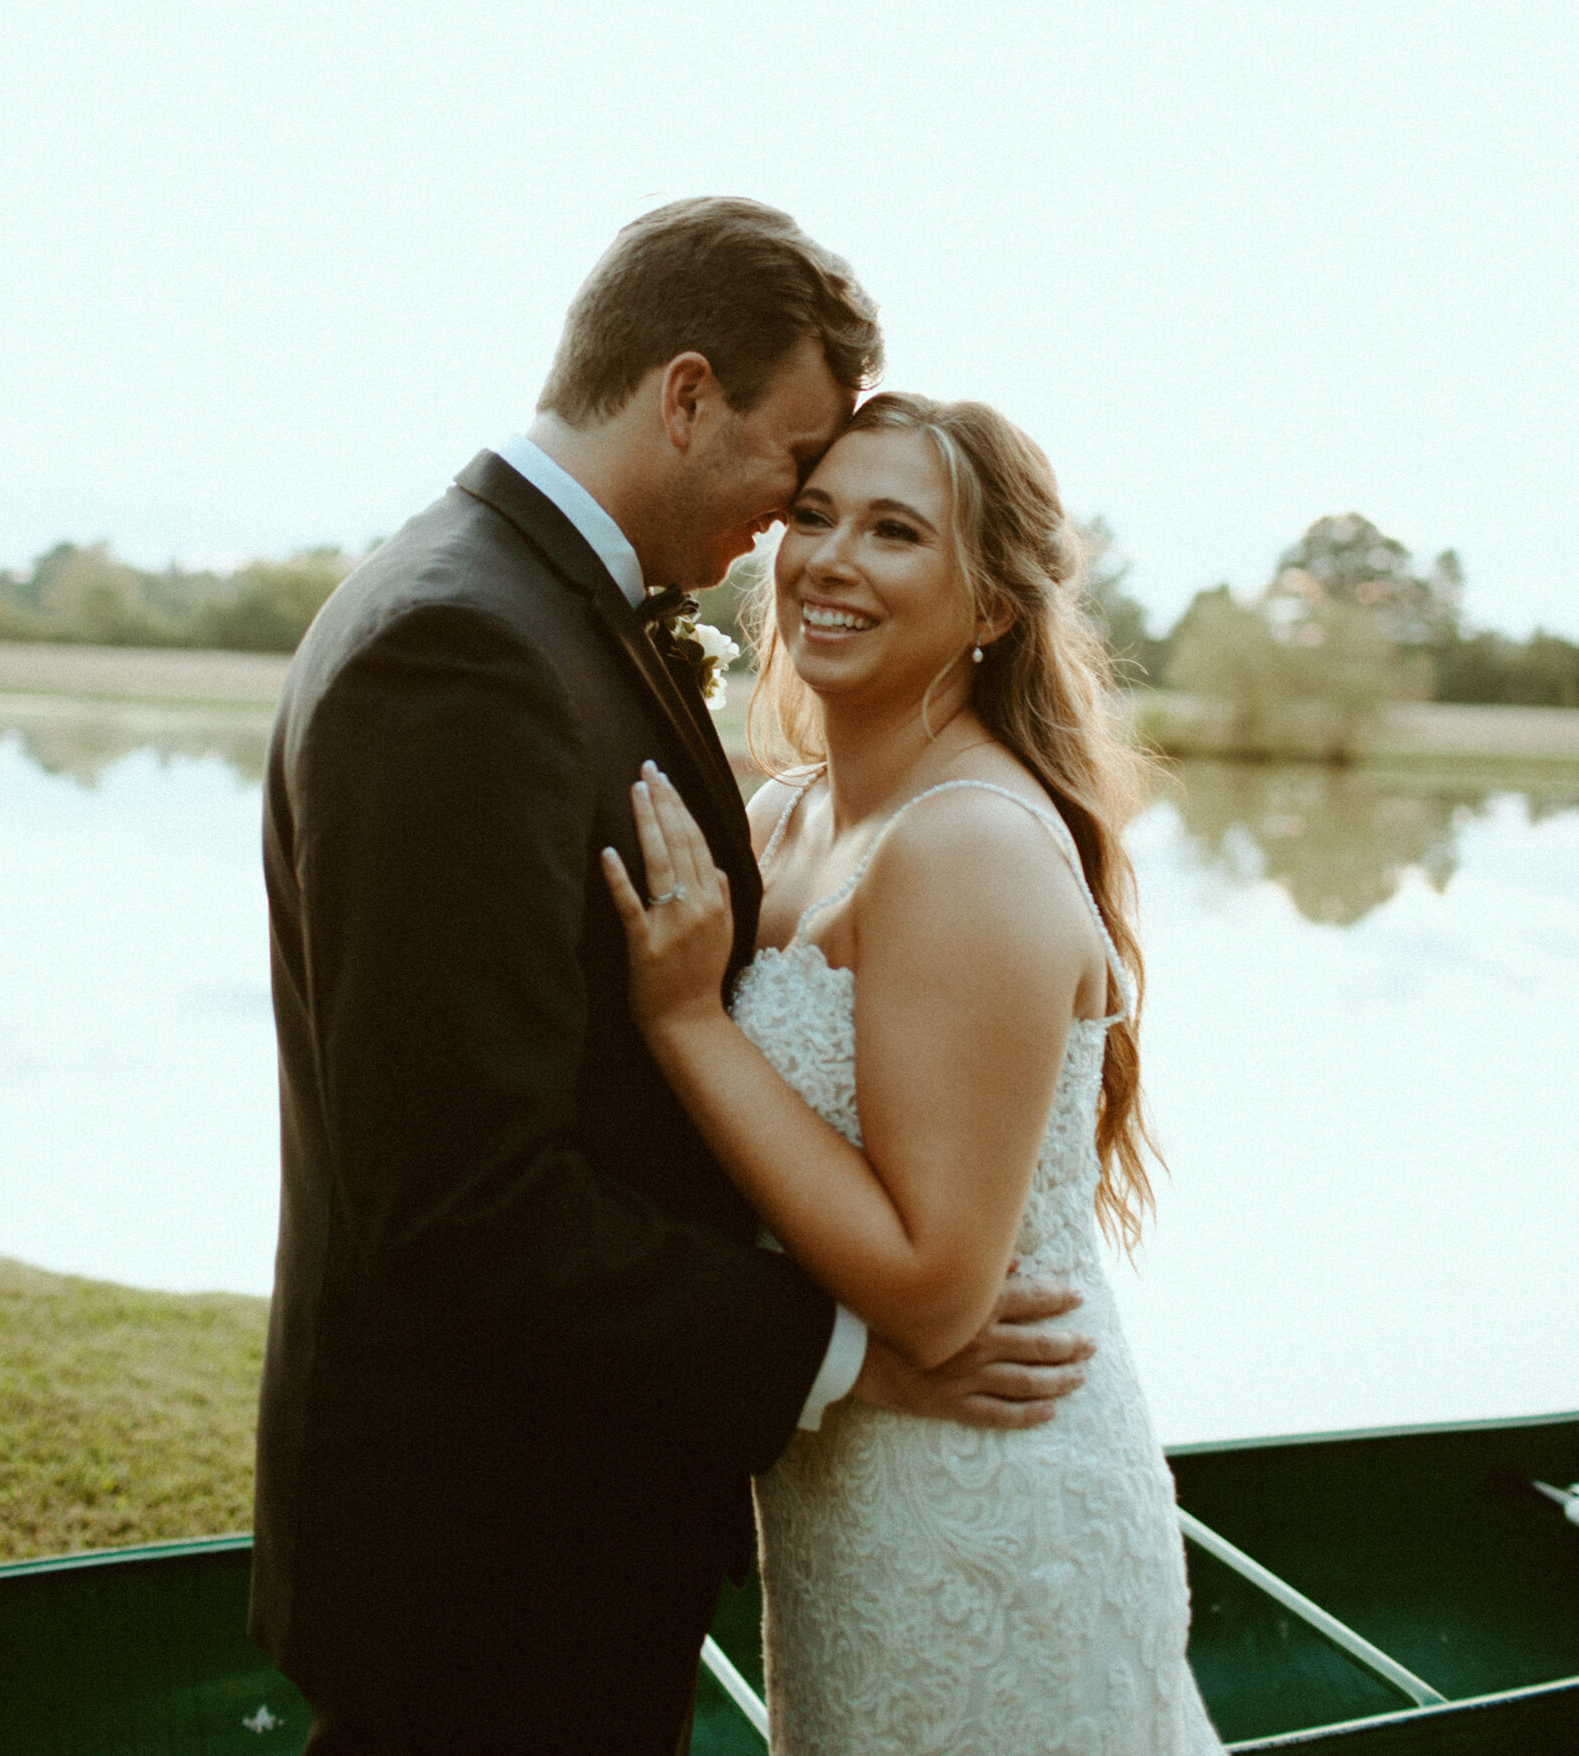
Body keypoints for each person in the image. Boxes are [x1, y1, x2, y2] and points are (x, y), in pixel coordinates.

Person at [250, 201, 1098, 1756]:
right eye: (796, 471)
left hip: (592, 1507)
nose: (792, 534)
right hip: (487, 1538)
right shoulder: (463, 644)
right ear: (686, 394)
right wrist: (849, 1356)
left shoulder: (531, 611)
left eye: (874, 518)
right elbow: (461, 1191)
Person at [603, 389, 1225, 1754]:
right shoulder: (785, 811)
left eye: (895, 531)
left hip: (987, 1498)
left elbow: (940, 1288)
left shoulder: (966, 845)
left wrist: (687, 1021)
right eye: (814, 515)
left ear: (991, 604)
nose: (828, 559)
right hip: (847, 1489)